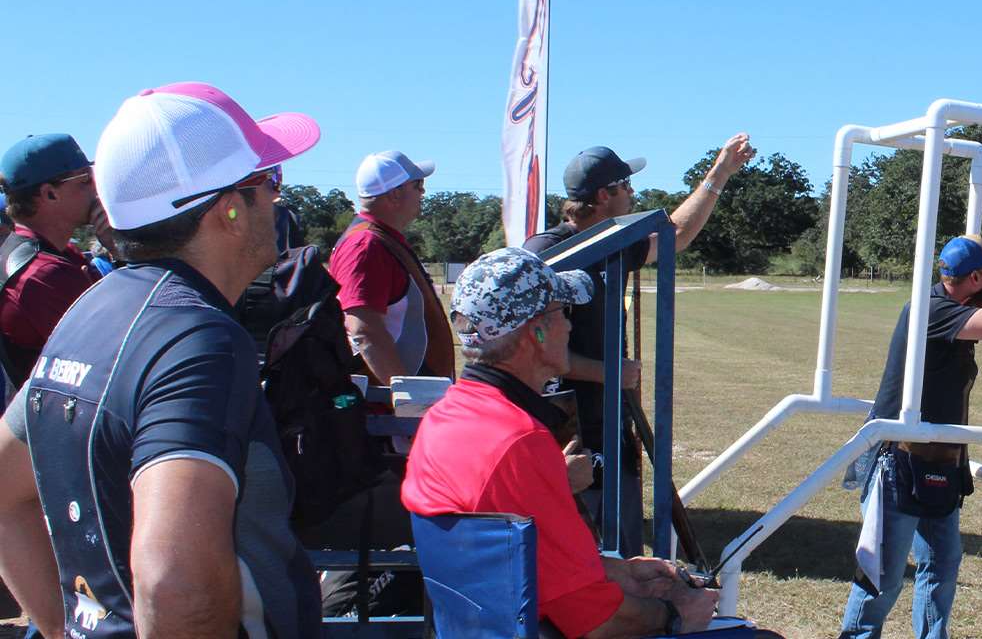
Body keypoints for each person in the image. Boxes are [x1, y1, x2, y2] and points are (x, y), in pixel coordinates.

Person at [0, 81, 324, 637]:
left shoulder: (95, 306)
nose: (278, 200)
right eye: (268, 181)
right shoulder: (199, 340)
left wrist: (61, 629)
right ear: (227, 211)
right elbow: (174, 585)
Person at [402, 247, 720, 638]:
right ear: (535, 332)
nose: (569, 327)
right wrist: (676, 613)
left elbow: (517, 562)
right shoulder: (517, 442)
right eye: (561, 312)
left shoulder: (445, 418)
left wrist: (617, 571)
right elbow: (593, 620)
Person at [524, 135, 755, 551]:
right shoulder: (546, 252)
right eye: (625, 186)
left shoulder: (610, 243)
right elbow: (532, 349)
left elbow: (676, 235)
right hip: (565, 426)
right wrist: (609, 371)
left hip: (610, 421)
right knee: (574, 548)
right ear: (603, 195)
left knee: (624, 548)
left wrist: (719, 175)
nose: (633, 193)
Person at [837, 232, 982, 639]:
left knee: (942, 566)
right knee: (883, 575)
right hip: (900, 458)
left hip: (939, 458)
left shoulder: (954, 304)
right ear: (977, 277)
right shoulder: (931, 310)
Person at [333, 149, 454, 384]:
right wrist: (405, 395)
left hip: (401, 405)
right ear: (395, 195)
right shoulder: (366, 244)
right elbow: (364, 332)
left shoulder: (379, 239)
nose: (423, 192)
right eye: (417, 185)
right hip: (389, 411)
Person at [0, 133, 103, 393]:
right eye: (84, 179)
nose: (96, 187)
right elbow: (119, 350)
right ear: (50, 194)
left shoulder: (48, 254)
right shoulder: (43, 273)